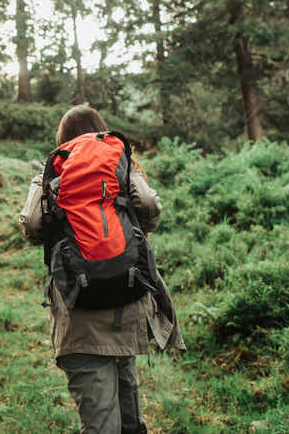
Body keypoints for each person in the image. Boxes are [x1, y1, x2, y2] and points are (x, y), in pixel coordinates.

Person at [19, 105, 185, 434]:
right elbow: (150, 206)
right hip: (126, 298)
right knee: (130, 418)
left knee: (100, 424)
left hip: (77, 314)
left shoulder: (53, 169)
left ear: (62, 137)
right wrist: (138, 228)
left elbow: (32, 224)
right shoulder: (120, 161)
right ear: (101, 128)